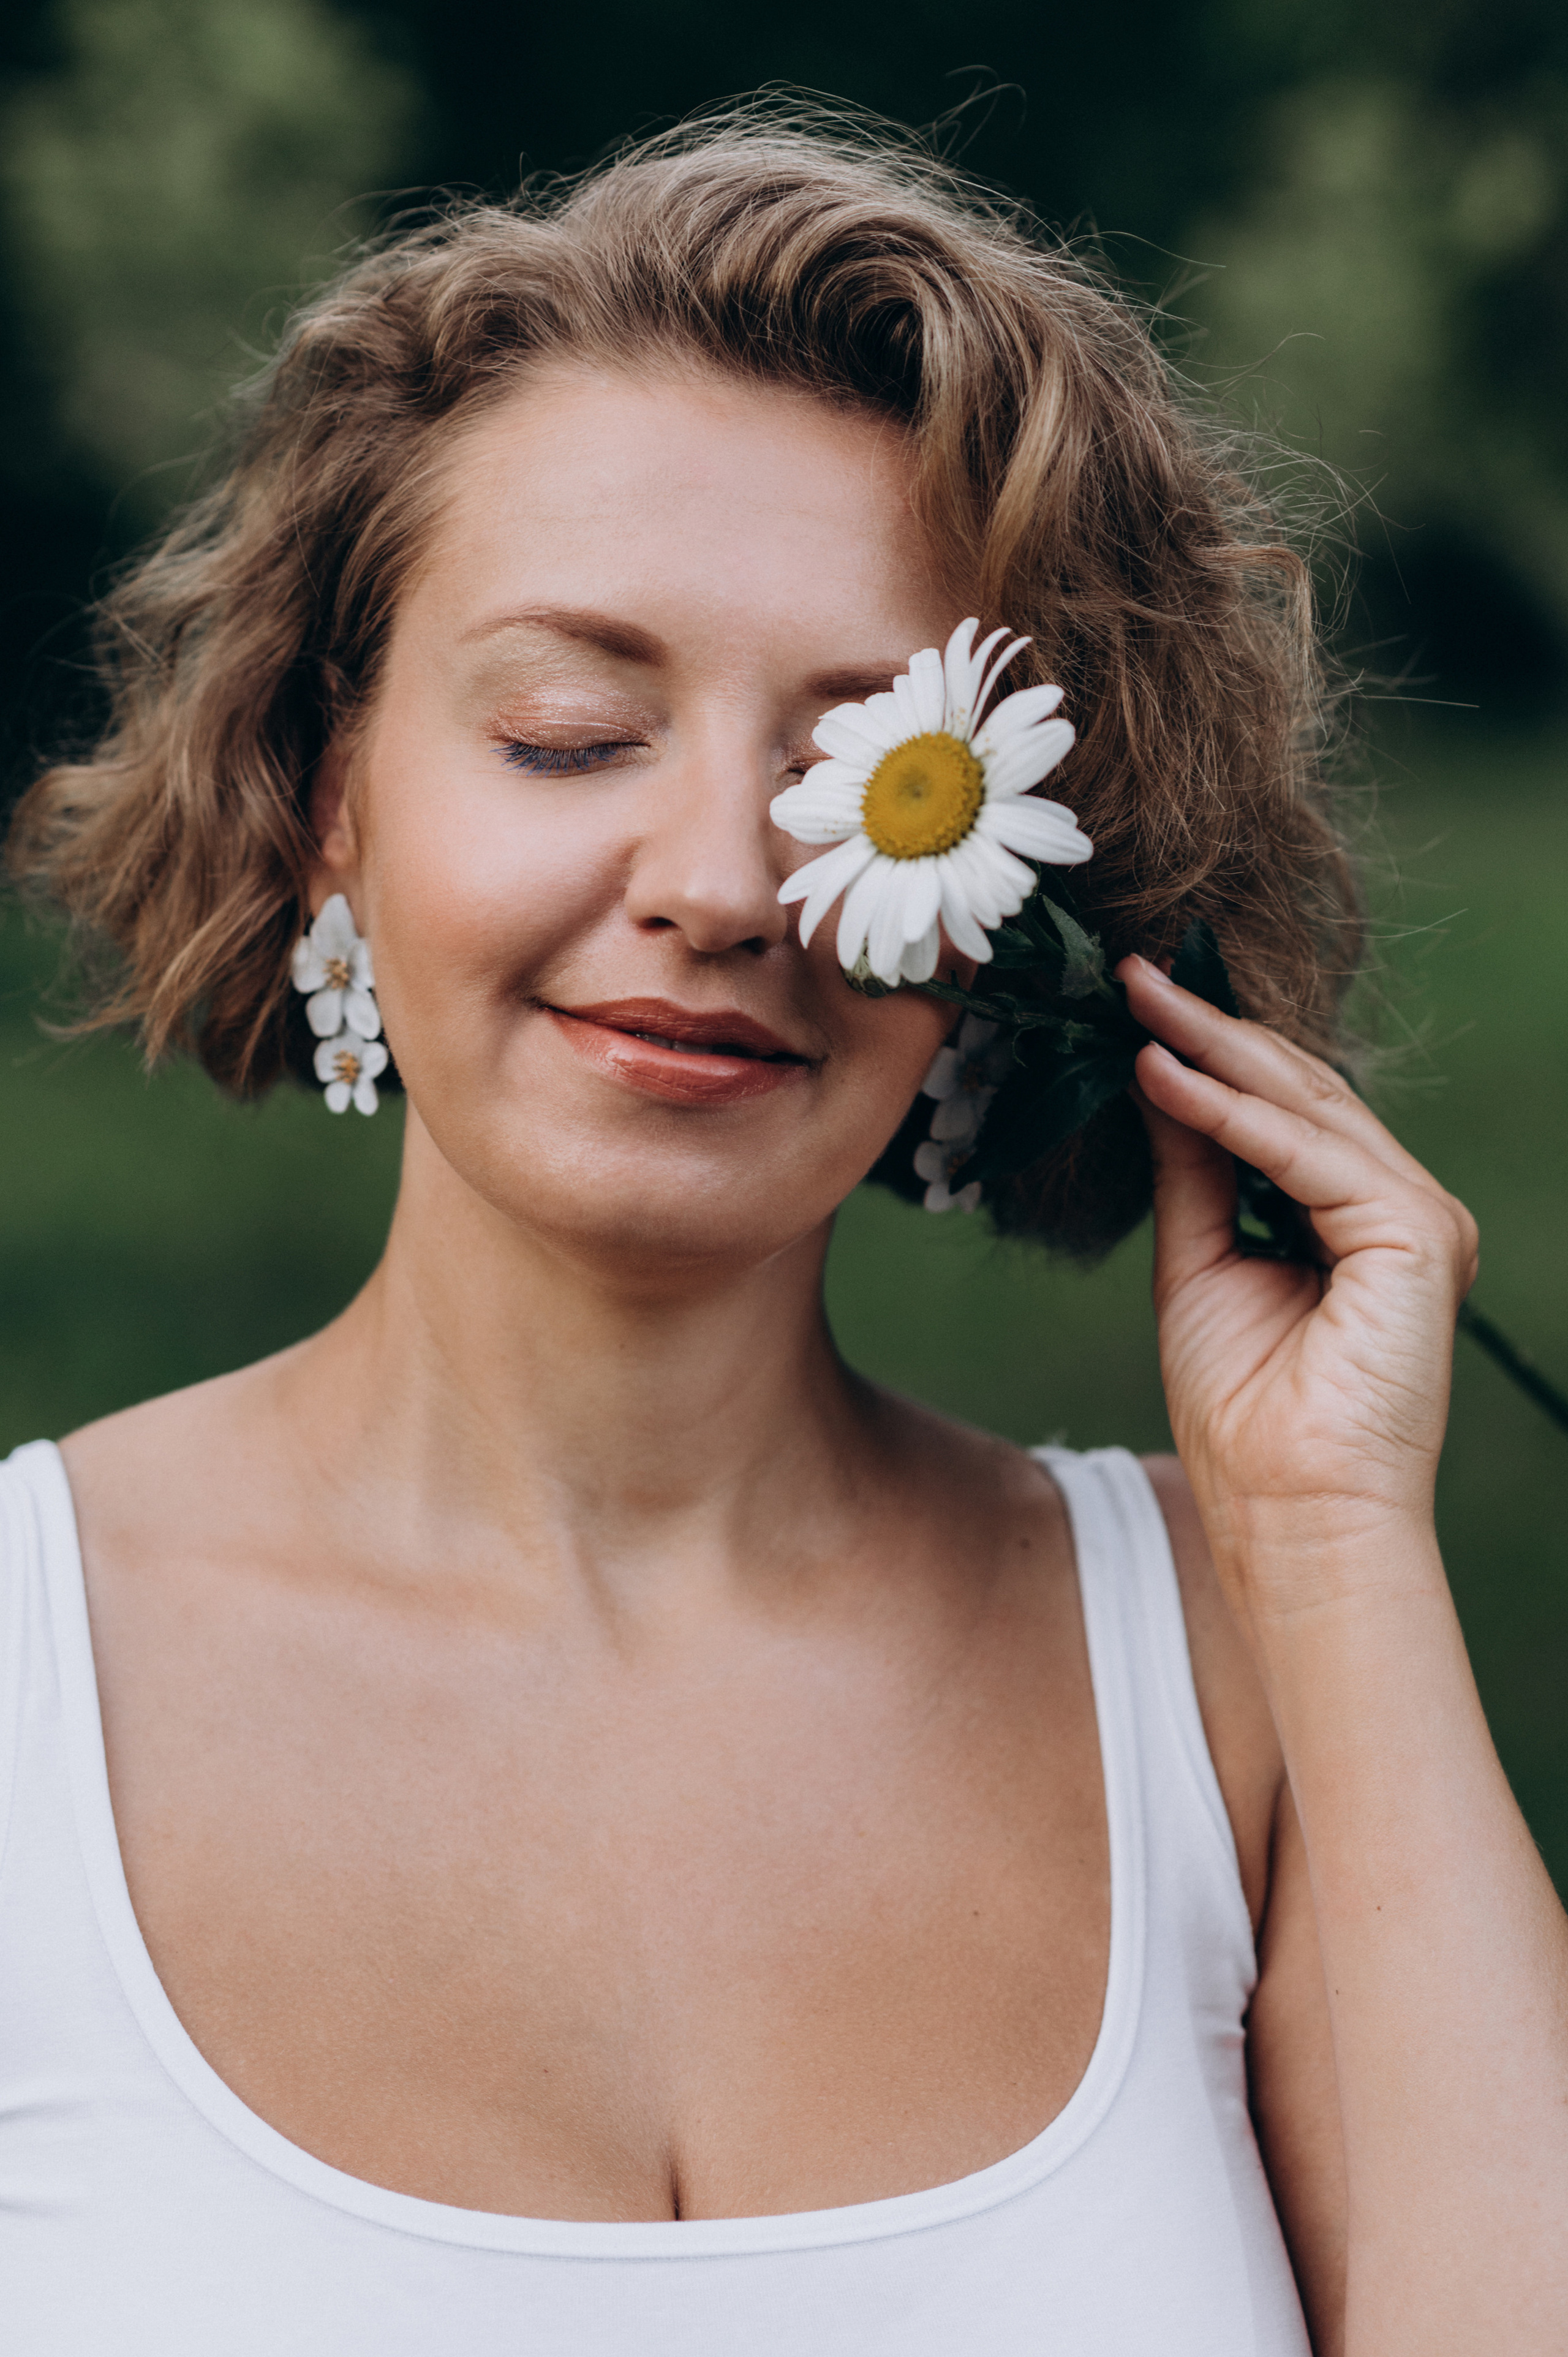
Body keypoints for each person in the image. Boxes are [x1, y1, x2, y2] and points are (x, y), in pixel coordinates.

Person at [1, 112, 1564, 2357]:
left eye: (858, 775)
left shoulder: (1236, 1674)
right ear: (333, 801)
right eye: (568, 733)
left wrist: (1333, 1550)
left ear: (1007, 890)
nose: (724, 881)